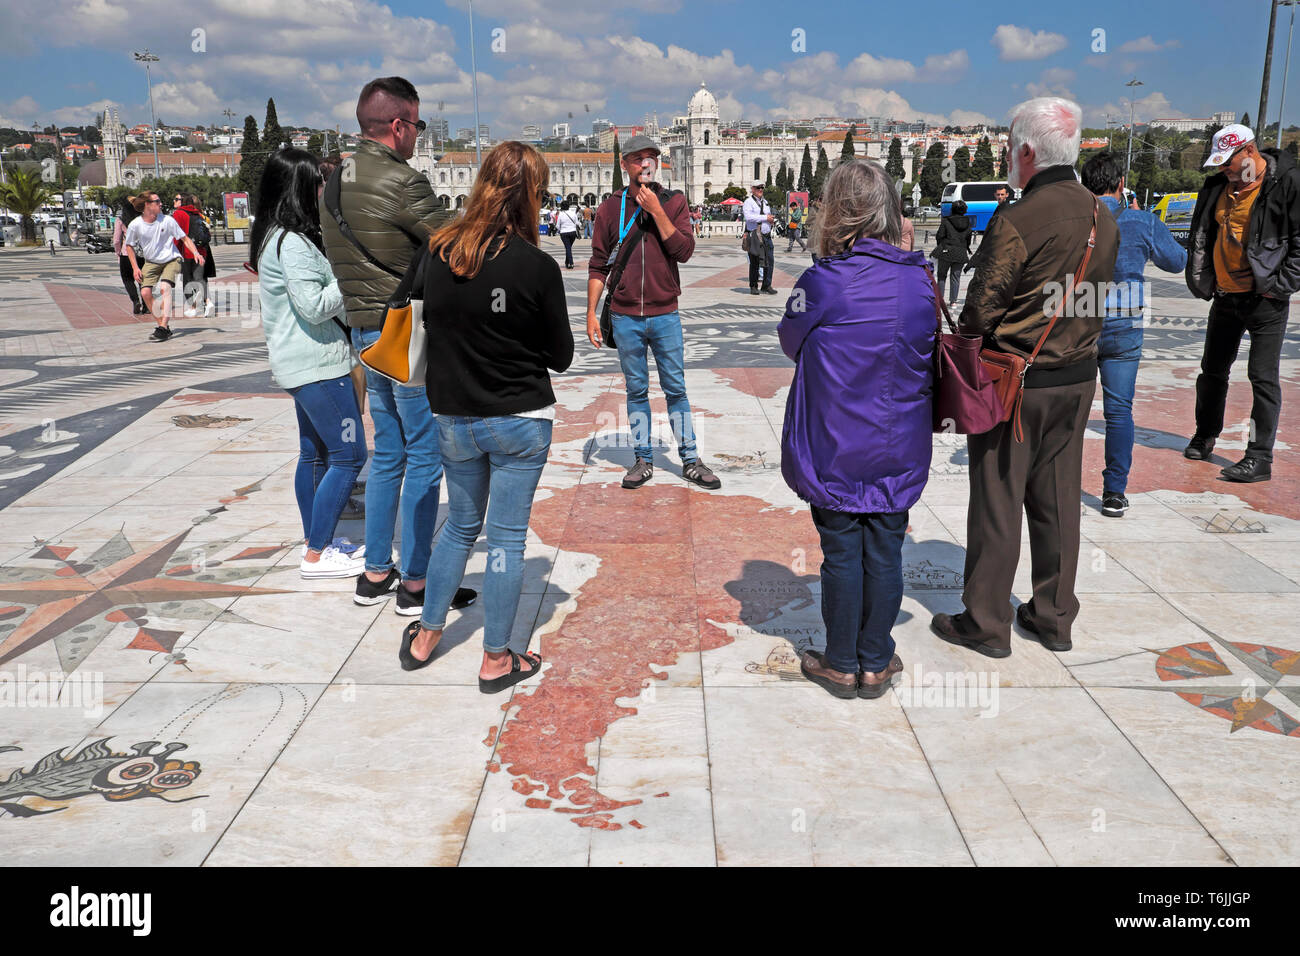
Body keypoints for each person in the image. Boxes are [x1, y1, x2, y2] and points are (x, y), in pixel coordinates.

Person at [930, 96, 1119, 658]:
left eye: (1013, 147)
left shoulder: (1018, 218)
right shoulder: (1100, 215)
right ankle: (1053, 616)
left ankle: (986, 622)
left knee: (998, 496)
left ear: (1028, 151)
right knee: (1058, 498)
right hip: (1079, 377)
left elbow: (980, 311)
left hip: (1017, 381)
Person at [401, 142, 574, 688]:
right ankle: (497, 658)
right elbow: (561, 356)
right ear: (531, 195)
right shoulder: (536, 266)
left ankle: (427, 635)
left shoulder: (438, 250)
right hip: (520, 418)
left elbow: (410, 317)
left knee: (459, 527)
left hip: (453, 415)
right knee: (504, 540)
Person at [319, 75, 475, 614]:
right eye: (417, 124)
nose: (416, 135)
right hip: (406, 331)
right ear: (399, 125)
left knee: (388, 455)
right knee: (425, 455)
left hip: (365, 332)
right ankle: (415, 582)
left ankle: (374, 572)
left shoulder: (336, 180)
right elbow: (457, 245)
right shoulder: (402, 182)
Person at [780, 158, 935, 700]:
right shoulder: (920, 281)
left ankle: (841, 661)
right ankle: (876, 659)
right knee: (886, 549)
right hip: (899, 441)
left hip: (838, 440)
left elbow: (790, 341)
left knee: (842, 551)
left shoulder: (823, 281)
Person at [249, 148, 367, 579]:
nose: (323, 189)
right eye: (317, 182)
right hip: (320, 365)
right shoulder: (293, 243)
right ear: (299, 188)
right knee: (350, 454)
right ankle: (317, 553)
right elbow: (314, 305)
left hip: (302, 363)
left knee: (314, 455)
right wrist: (350, 279)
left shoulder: (274, 236)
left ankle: (316, 541)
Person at [585, 134, 721, 491]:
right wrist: (589, 313)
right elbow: (598, 264)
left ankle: (690, 459)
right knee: (637, 390)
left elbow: (684, 250)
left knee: (675, 388)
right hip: (625, 315)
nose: (645, 163)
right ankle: (643, 459)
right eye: (637, 158)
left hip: (665, 314)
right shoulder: (610, 208)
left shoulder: (673, 201)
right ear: (625, 164)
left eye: (651, 157)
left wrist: (657, 212)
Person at [1184, 124, 1300, 483]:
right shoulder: (1217, 186)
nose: (1224, 170)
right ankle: (1205, 435)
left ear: (1249, 152)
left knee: (1262, 378)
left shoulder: (1287, 183)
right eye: (1219, 164)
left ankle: (1259, 456)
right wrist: (1203, 277)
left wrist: (1280, 287)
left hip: (1265, 300)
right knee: (1212, 371)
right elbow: (1203, 232)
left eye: (1228, 162)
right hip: (1225, 295)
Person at [1081, 151, 1187, 516]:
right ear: (1121, 184)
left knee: (1069, 411)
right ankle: (1114, 492)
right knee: (1119, 411)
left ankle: (1054, 485)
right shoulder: (1142, 221)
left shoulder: (1074, 219)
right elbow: (1176, 262)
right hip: (1125, 324)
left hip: (1078, 322)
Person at [124, 191, 205, 342]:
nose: (161, 203)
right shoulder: (135, 225)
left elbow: (184, 238)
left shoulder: (168, 220)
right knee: (145, 293)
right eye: (157, 201)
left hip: (172, 259)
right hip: (151, 262)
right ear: (147, 205)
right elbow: (129, 246)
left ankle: (162, 327)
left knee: (164, 288)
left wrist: (195, 252)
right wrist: (135, 267)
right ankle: (163, 326)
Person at [171, 193, 216, 318]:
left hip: (187, 251)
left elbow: (177, 235)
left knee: (187, 281)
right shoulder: (198, 214)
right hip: (201, 250)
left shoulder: (179, 213)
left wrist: (174, 251)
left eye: (176, 199)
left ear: (182, 201)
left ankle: (193, 307)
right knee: (199, 278)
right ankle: (208, 302)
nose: (174, 201)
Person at [931, 199, 973, 305]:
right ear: (964, 210)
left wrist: (941, 245)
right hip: (961, 252)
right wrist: (965, 247)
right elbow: (968, 238)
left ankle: (940, 300)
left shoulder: (946, 221)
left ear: (952, 209)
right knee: (956, 277)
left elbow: (939, 235)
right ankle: (953, 301)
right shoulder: (968, 222)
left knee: (942, 276)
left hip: (946, 251)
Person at [743, 180, 778, 294]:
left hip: (766, 236)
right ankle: (753, 286)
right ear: (752, 189)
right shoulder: (748, 202)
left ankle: (766, 285)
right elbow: (749, 217)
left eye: (762, 188)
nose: (761, 190)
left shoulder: (765, 202)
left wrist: (771, 220)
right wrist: (765, 218)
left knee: (770, 260)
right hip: (755, 236)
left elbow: (766, 217)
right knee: (755, 261)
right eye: (758, 188)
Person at [112, 198, 146, 314]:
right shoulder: (143, 219)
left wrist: (118, 253)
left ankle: (135, 300)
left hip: (126, 254)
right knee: (143, 279)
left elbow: (116, 240)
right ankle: (146, 305)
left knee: (127, 279)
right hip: (141, 254)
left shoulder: (120, 220)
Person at [556, 199, 581, 268]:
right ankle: (567, 262)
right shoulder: (573, 213)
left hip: (564, 233)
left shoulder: (561, 214)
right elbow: (577, 223)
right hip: (572, 232)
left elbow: (557, 226)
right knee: (568, 247)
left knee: (568, 248)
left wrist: (560, 229)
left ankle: (571, 263)